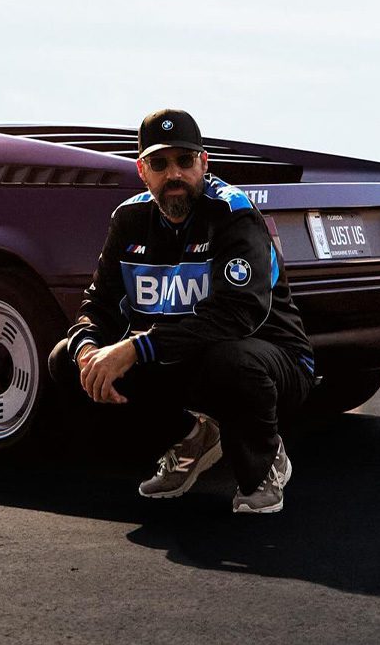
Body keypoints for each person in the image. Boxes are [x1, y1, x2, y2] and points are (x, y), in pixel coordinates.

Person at [48, 109, 315, 513]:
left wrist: (135, 348)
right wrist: (88, 350)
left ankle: (265, 464)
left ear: (203, 163)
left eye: (184, 161)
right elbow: (97, 305)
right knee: (67, 360)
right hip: (181, 356)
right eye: (159, 163)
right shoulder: (129, 219)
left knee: (231, 359)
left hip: (272, 359)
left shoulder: (233, 213)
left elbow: (236, 315)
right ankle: (192, 437)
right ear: (142, 171)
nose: (173, 174)